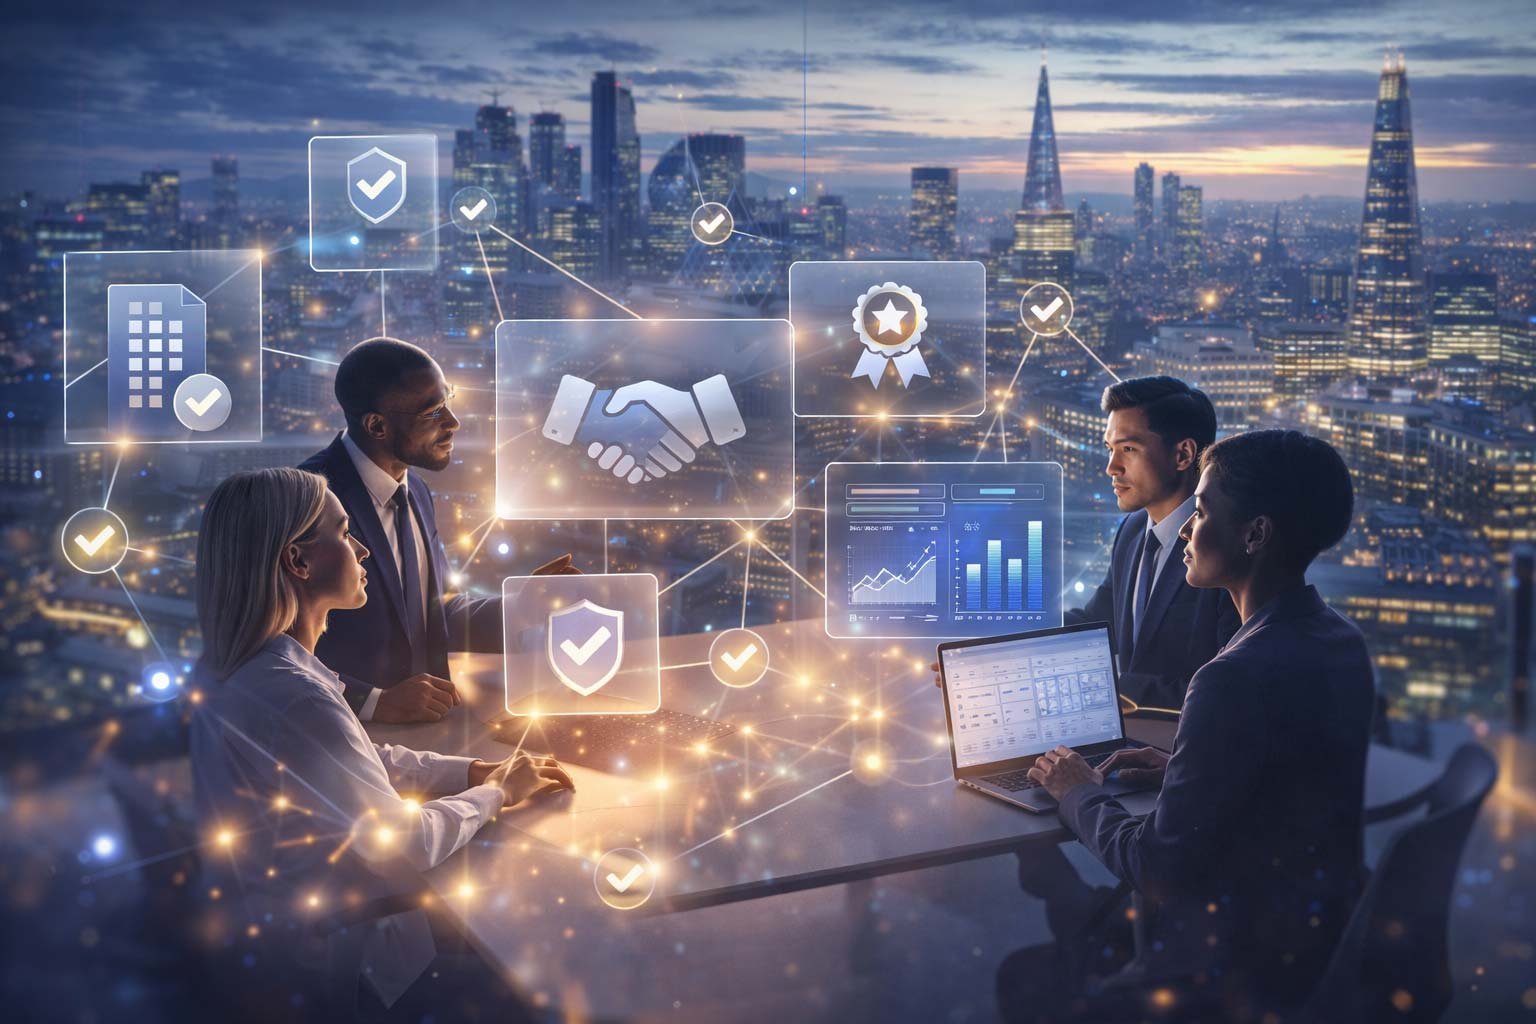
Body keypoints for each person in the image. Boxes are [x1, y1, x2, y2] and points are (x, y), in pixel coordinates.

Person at [1013, 430, 1375, 1021]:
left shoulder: (1230, 677)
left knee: (1027, 986)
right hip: (1317, 942)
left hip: (1230, 968)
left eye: (1201, 511)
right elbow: (1288, 784)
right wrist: (1183, 769)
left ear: (1255, 534)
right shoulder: (1339, 640)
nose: (1184, 528)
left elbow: (1158, 869)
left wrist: (1075, 789)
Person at [189, 468, 573, 1019]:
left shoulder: (246, 667)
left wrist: (469, 771)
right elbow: (401, 842)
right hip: (345, 974)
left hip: (271, 952)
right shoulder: (297, 695)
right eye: (345, 534)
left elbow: (352, 760)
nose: (364, 549)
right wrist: (498, 796)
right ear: (298, 562)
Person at [299, 338, 579, 725]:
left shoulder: (415, 491)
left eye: (448, 401)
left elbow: (433, 614)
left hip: (428, 737)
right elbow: (265, 647)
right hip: (342, 737)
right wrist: (374, 701)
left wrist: (523, 604)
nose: (453, 422)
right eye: (432, 412)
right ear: (377, 425)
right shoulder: (304, 501)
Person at [1069, 375, 1238, 711]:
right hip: (1128, 747)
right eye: (1110, 449)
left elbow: (1229, 688)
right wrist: (989, 647)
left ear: (1183, 454)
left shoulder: (1226, 551)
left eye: (1128, 449)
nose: (1111, 467)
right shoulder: (1132, 531)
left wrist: (1105, 684)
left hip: (1187, 753)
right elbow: (1097, 622)